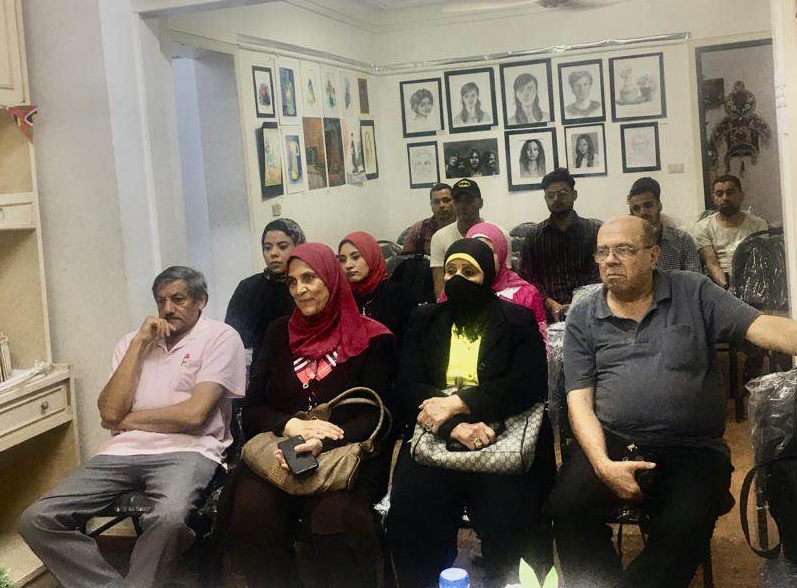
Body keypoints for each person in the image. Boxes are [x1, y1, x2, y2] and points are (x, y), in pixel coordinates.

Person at [550, 216, 797, 588]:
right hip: (613, 441)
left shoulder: (693, 292)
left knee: (684, 527)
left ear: (653, 255)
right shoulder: (584, 313)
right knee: (566, 507)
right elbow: (579, 400)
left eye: (624, 249)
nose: (610, 260)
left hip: (691, 448)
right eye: (603, 251)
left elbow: (763, 327)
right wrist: (602, 464)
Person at [19, 267, 246, 588]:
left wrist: (128, 420)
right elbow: (110, 411)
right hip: (120, 453)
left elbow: (194, 415)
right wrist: (140, 344)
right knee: (36, 519)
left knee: (169, 517)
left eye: (178, 299)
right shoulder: (132, 342)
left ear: (201, 301)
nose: (167, 309)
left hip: (190, 450)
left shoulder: (221, 337)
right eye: (161, 301)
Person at [218, 244, 395, 588]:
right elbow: (252, 409)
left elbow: (379, 415)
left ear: (331, 278)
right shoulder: (278, 332)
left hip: (344, 456)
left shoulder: (372, 337)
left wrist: (321, 441)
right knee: (252, 516)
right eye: (292, 282)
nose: (300, 290)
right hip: (279, 452)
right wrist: (291, 424)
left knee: (334, 524)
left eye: (310, 278)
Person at [386, 239, 553, 588]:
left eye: (469, 271)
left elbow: (529, 383)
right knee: (411, 511)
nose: (457, 279)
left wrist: (460, 403)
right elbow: (408, 386)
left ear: (488, 275)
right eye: (450, 271)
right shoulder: (424, 318)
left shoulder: (516, 319)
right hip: (437, 435)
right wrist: (454, 426)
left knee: (514, 514)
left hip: (500, 434)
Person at [519, 168, 600, 322]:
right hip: (546, 312)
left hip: (589, 309)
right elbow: (527, 277)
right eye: (551, 195)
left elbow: (599, 273)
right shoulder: (534, 236)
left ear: (574, 195)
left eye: (562, 193)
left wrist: (578, 303)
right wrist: (550, 303)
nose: (556, 199)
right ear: (545, 198)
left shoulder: (593, 231)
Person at [225, 219, 306, 359]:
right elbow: (232, 338)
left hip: (307, 362)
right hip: (261, 365)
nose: (273, 253)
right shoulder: (248, 288)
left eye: (282, 246)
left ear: (298, 247)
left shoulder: (308, 285)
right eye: (267, 248)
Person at [339, 230, 419, 343]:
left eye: (355, 257)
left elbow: (411, 343)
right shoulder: (345, 298)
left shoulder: (399, 295)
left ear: (371, 256)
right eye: (342, 260)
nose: (348, 265)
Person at [691, 175, 768, 289]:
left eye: (730, 193)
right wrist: (727, 289)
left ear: (741, 195)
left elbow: (761, 261)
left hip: (752, 279)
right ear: (714, 198)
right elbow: (711, 263)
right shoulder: (702, 227)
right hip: (719, 284)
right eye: (719, 194)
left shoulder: (758, 224)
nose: (725, 198)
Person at [627, 176, 701, 272]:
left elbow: (695, 278)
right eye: (636, 208)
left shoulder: (682, 240)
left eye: (648, 205)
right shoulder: (627, 244)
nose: (642, 212)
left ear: (659, 206)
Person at [429, 178, 484, 299]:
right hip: (452, 302)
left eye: (468, 200)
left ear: (480, 203)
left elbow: (502, 281)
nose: (462, 206)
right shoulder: (439, 237)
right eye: (458, 201)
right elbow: (440, 287)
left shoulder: (498, 234)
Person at [402, 183, 455, 257]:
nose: (441, 205)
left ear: (455, 202)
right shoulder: (418, 230)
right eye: (436, 202)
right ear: (431, 205)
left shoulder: (463, 226)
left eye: (446, 200)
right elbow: (405, 260)